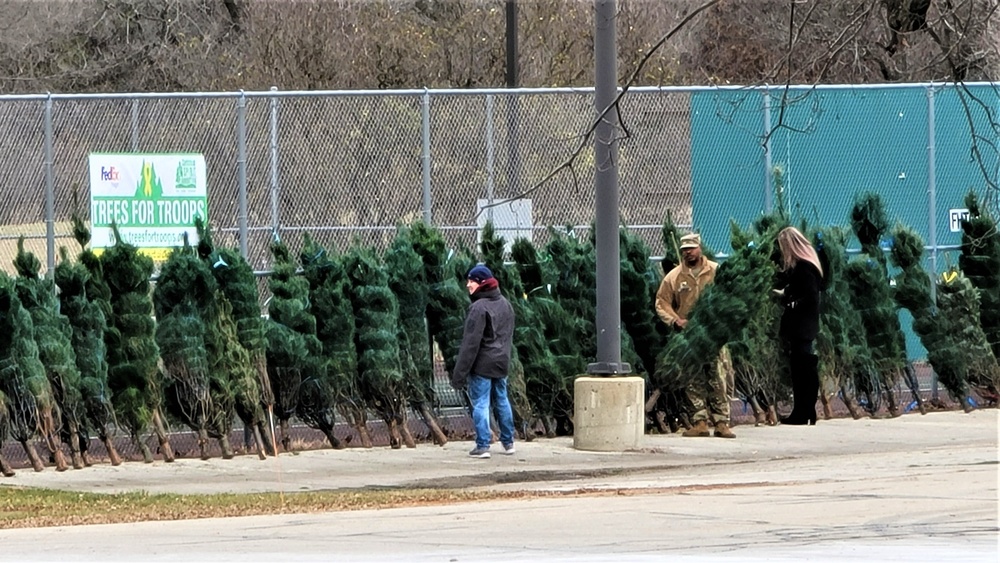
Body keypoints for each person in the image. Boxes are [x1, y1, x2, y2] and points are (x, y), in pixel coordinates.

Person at [655, 233, 736, 439]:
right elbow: (662, 302)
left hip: (713, 335)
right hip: (689, 336)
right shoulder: (674, 277)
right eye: (685, 250)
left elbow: (729, 297)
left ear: (700, 248)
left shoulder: (716, 271)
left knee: (719, 378)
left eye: (691, 248)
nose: (688, 252)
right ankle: (699, 421)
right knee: (693, 379)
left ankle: (721, 422)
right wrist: (676, 320)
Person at [451, 264, 517, 458]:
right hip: (502, 361)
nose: (467, 285)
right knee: (502, 400)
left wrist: (459, 374)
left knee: (481, 403)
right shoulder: (506, 304)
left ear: (481, 283)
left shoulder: (478, 308)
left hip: (482, 364)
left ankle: (482, 445)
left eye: (471, 281)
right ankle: (508, 442)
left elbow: (470, 344)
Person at [774, 226, 824, 425]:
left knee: (801, 368)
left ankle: (803, 411)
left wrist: (792, 302)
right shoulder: (808, 266)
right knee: (804, 367)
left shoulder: (804, 267)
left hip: (802, 325)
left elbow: (810, 296)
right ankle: (805, 410)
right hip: (805, 325)